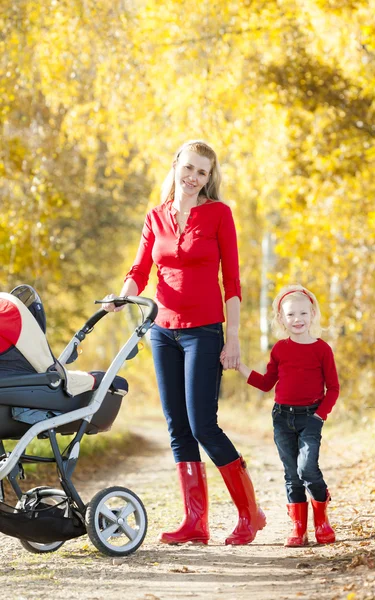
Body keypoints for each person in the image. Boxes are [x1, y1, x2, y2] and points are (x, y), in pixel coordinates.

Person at [103, 140, 265, 546]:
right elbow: (139, 269)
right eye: (189, 168)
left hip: (205, 331)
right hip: (163, 330)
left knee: (202, 424)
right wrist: (121, 297)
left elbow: (233, 282)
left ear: (210, 178)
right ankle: (196, 521)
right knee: (178, 427)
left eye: (202, 172)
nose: (193, 178)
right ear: (175, 166)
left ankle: (250, 514)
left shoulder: (218, 215)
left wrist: (234, 339)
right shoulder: (155, 216)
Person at [236, 284, 339, 547]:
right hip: (282, 418)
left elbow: (334, 388)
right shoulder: (280, 349)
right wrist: (241, 368)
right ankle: (298, 527)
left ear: (313, 314)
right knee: (292, 473)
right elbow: (266, 383)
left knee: (308, 469)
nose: (297, 320)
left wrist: (320, 416)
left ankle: (322, 519)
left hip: (311, 418)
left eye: (303, 314)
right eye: (291, 314)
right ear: (281, 318)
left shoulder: (322, 349)